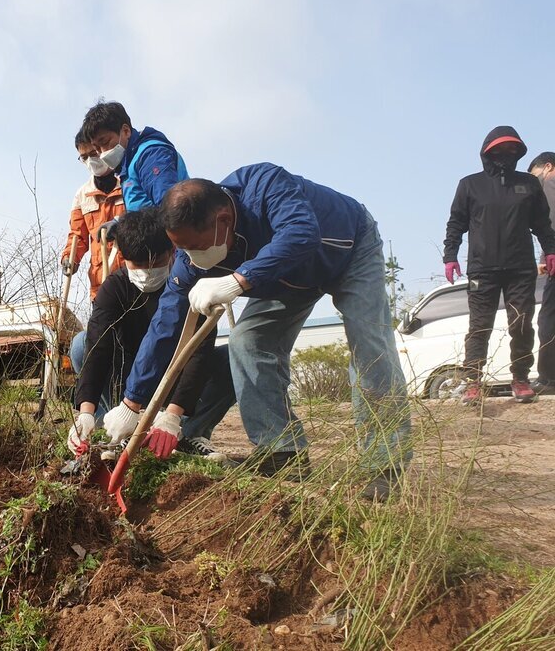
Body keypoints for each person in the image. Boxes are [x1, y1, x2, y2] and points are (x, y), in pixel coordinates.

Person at [99, 169, 412, 501]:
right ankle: (282, 453)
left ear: (222, 220)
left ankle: (384, 467)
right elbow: (165, 325)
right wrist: (131, 403)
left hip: (348, 249)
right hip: (287, 280)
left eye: (194, 246)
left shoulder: (265, 186)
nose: (190, 258)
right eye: (182, 250)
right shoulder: (193, 259)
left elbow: (301, 235)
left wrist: (239, 280)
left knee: (370, 349)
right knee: (247, 341)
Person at [67, 208, 234, 461]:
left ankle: (186, 433)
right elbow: (98, 348)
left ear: (172, 252)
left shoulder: (192, 287)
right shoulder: (114, 288)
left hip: (177, 376)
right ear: (123, 257)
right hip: (127, 380)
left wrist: (173, 415)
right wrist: (85, 412)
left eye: (155, 263)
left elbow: (199, 353)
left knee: (233, 357)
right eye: (139, 264)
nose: (147, 273)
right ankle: (109, 429)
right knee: (81, 344)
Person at [443, 128, 555, 405]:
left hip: (520, 268)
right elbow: (456, 222)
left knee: (520, 324)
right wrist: (450, 255)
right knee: (480, 327)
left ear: (518, 153)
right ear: (487, 152)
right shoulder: (470, 185)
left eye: (511, 150)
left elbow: (542, 223)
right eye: (499, 150)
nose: (505, 155)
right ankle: (473, 382)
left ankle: (520, 378)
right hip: (483, 269)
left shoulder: (529, 184)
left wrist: (551, 251)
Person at [80, 100, 189, 214]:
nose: (102, 153)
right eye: (97, 148)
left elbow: (171, 212)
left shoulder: (150, 156)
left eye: (105, 142)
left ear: (126, 131)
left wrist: (125, 227)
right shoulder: (127, 165)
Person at [61, 129, 126, 300]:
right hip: (100, 284)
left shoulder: (128, 184)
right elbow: (77, 236)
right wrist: (69, 258)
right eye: (84, 157)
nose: (90, 161)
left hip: (132, 275)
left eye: (93, 154)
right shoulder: (82, 194)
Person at [530, 152, 555, 395]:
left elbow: (550, 227)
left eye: (534, 176)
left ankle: (549, 380)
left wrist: (545, 258)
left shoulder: (549, 182)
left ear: (548, 167)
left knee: (548, 322)